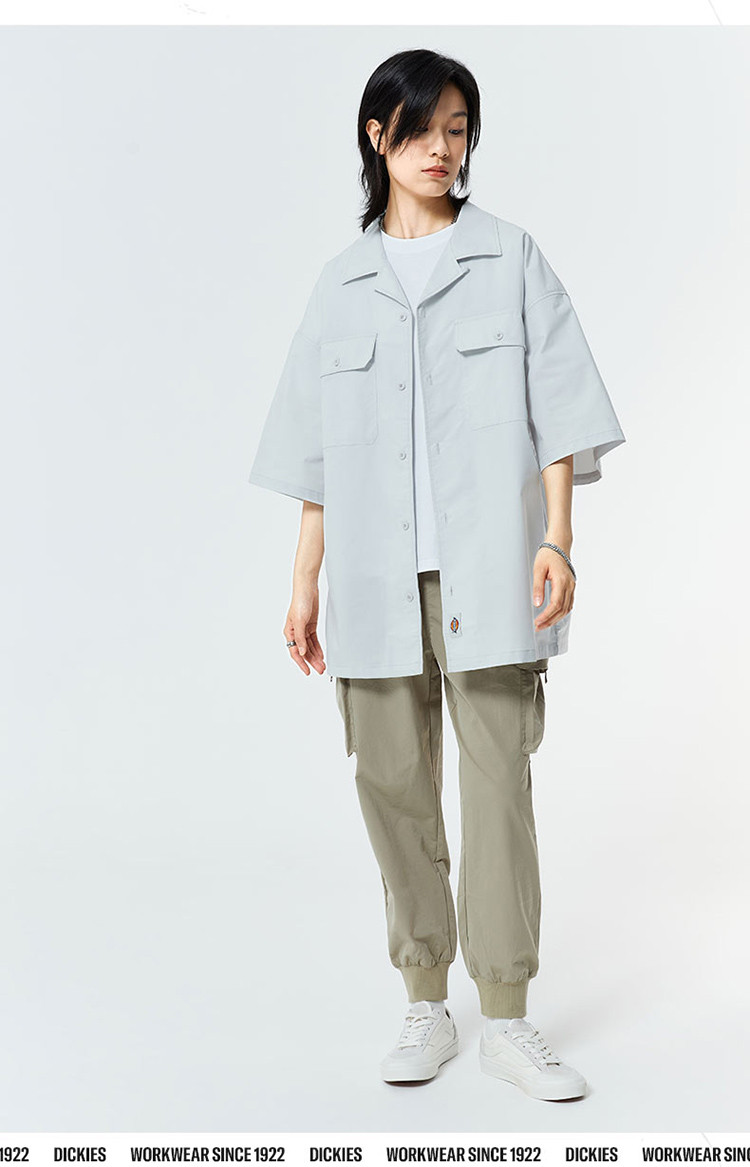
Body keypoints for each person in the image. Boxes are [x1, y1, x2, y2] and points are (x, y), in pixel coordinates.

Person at [248, 48, 626, 1101]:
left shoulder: (510, 258)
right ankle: (426, 999)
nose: (442, 149)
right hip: (373, 582)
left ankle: (505, 1014)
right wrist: (304, 580)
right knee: (391, 786)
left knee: (499, 785)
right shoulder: (341, 284)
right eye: (421, 130)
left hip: (491, 572)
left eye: (458, 129)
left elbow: (562, 410)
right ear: (378, 138)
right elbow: (315, 457)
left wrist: (557, 539)